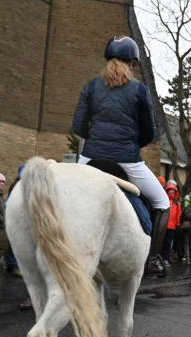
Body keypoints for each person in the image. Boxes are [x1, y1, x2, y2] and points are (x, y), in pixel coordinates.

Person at [71, 36, 169, 276]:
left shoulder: (91, 86)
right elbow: (149, 132)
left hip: (90, 158)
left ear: (107, 61)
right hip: (127, 159)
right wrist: (129, 144)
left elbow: (78, 126)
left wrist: (95, 140)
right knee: (162, 203)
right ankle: (152, 258)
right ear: (132, 64)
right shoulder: (139, 90)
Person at [159, 180, 182, 269]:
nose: (172, 193)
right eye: (170, 191)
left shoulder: (177, 203)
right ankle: (160, 258)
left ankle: (165, 258)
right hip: (163, 225)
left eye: (173, 191)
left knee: (168, 244)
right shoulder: (164, 200)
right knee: (161, 243)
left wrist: (177, 224)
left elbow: (178, 214)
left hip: (171, 227)